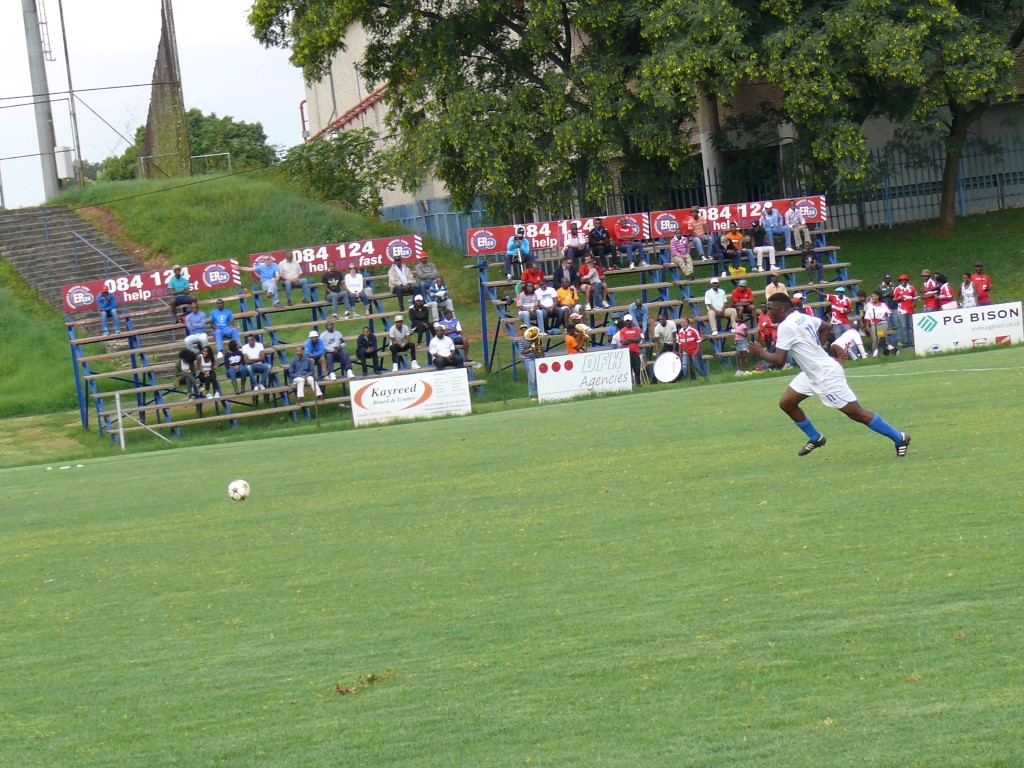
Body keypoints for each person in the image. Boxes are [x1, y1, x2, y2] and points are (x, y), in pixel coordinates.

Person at [749, 293, 911, 457]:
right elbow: (826, 327)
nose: (768, 313)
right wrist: (817, 350)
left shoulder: (786, 327)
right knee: (787, 403)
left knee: (856, 413)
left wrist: (760, 351)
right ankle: (815, 438)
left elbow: (779, 361)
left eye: (770, 309)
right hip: (812, 373)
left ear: (782, 308)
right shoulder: (801, 317)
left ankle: (899, 438)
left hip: (826, 375)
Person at [676, 316, 708, 381]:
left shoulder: (693, 331)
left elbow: (698, 341)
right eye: (682, 322)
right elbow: (680, 343)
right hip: (685, 352)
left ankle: (705, 378)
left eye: (684, 322)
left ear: (688, 323)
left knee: (698, 366)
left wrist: (696, 351)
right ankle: (688, 380)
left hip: (694, 351)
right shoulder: (680, 332)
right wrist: (680, 352)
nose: (683, 324)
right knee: (684, 367)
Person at [862, 292, 894, 357]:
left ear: (877, 297)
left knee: (882, 338)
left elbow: (888, 313)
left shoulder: (883, 305)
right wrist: (867, 325)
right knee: (874, 339)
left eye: (873, 296)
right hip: (874, 324)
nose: (872, 298)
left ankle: (887, 351)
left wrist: (886, 313)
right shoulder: (870, 306)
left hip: (882, 323)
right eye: (871, 297)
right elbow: (868, 316)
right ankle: (875, 353)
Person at [893, 274, 918, 347]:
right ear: (900, 281)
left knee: (911, 326)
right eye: (902, 280)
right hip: (902, 310)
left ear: (907, 281)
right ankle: (905, 342)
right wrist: (900, 298)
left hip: (910, 309)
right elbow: (894, 299)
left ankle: (912, 342)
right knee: (904, 327)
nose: (903, 281)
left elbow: (915, 297)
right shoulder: (897, 289)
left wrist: (914, 303)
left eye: (905, 280)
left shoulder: (911, 288)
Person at [619, 314, 644, 386]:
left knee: (637, 369)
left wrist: (629, 339)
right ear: (625, 322)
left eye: (629, 321)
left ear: (632, 321)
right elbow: (623, 342)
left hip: (636, 352)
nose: (628, 322)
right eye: (627, 321)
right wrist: (634, 340)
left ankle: (638, 384)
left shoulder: (636, 329)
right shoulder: (622, 331)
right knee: (628, 370)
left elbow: (639, 339)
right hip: (627, 353)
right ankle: (630, 385)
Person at [516, 323, 540, 399]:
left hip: (536, 357)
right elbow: (522, 351)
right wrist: (531, 348)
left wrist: (539, 347)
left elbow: (538, 348)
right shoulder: (521, 341)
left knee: (536, 377)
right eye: (522, 330)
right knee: (531, 377)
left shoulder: (533, 339)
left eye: (525, 330)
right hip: (528, 359)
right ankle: (533, 395)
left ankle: (536, 394)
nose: (524, 331)